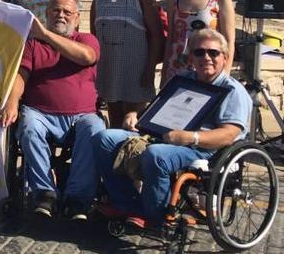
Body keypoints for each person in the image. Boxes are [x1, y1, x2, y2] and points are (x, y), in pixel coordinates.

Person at [94, 29, 251, 227]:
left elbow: (229, 134)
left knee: (156, 155)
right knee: (104, 138)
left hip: (202, 149)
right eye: (199, 52)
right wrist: (137, 115)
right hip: (164, 135)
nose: (207, 57)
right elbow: (158, 106)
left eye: (213, 52)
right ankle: (126, 204)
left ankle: (156, 216)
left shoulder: (233, 91)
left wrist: (191, 137)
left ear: (225, 57)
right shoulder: (183, 78)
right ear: (190, 57)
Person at [0, 0, 105, 220]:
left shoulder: (87, 39)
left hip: (82, 115)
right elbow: (21, 75)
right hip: (40, 112)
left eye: (67, 12)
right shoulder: (33, 43)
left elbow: (86, 57)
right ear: (47, 15)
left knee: (95, 130)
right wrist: (12, 101)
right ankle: (45, 193)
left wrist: (46, 34)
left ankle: (78, 197)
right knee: (28, 126)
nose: (61, 15)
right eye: (56, 11)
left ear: (77, 19)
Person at [91, 0, 164, 129]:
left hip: (136, 71)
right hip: (109, 69)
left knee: (134, 123)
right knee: (115, 122)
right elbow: (93, 38)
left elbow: (156, 37)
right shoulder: (98, 0)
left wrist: (150, 68)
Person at [161, 0, 235, 85]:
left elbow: (229, 41)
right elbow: (171, 39)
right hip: (177, 69)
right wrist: (165, 72)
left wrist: (224, 76)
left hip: (209, 70)